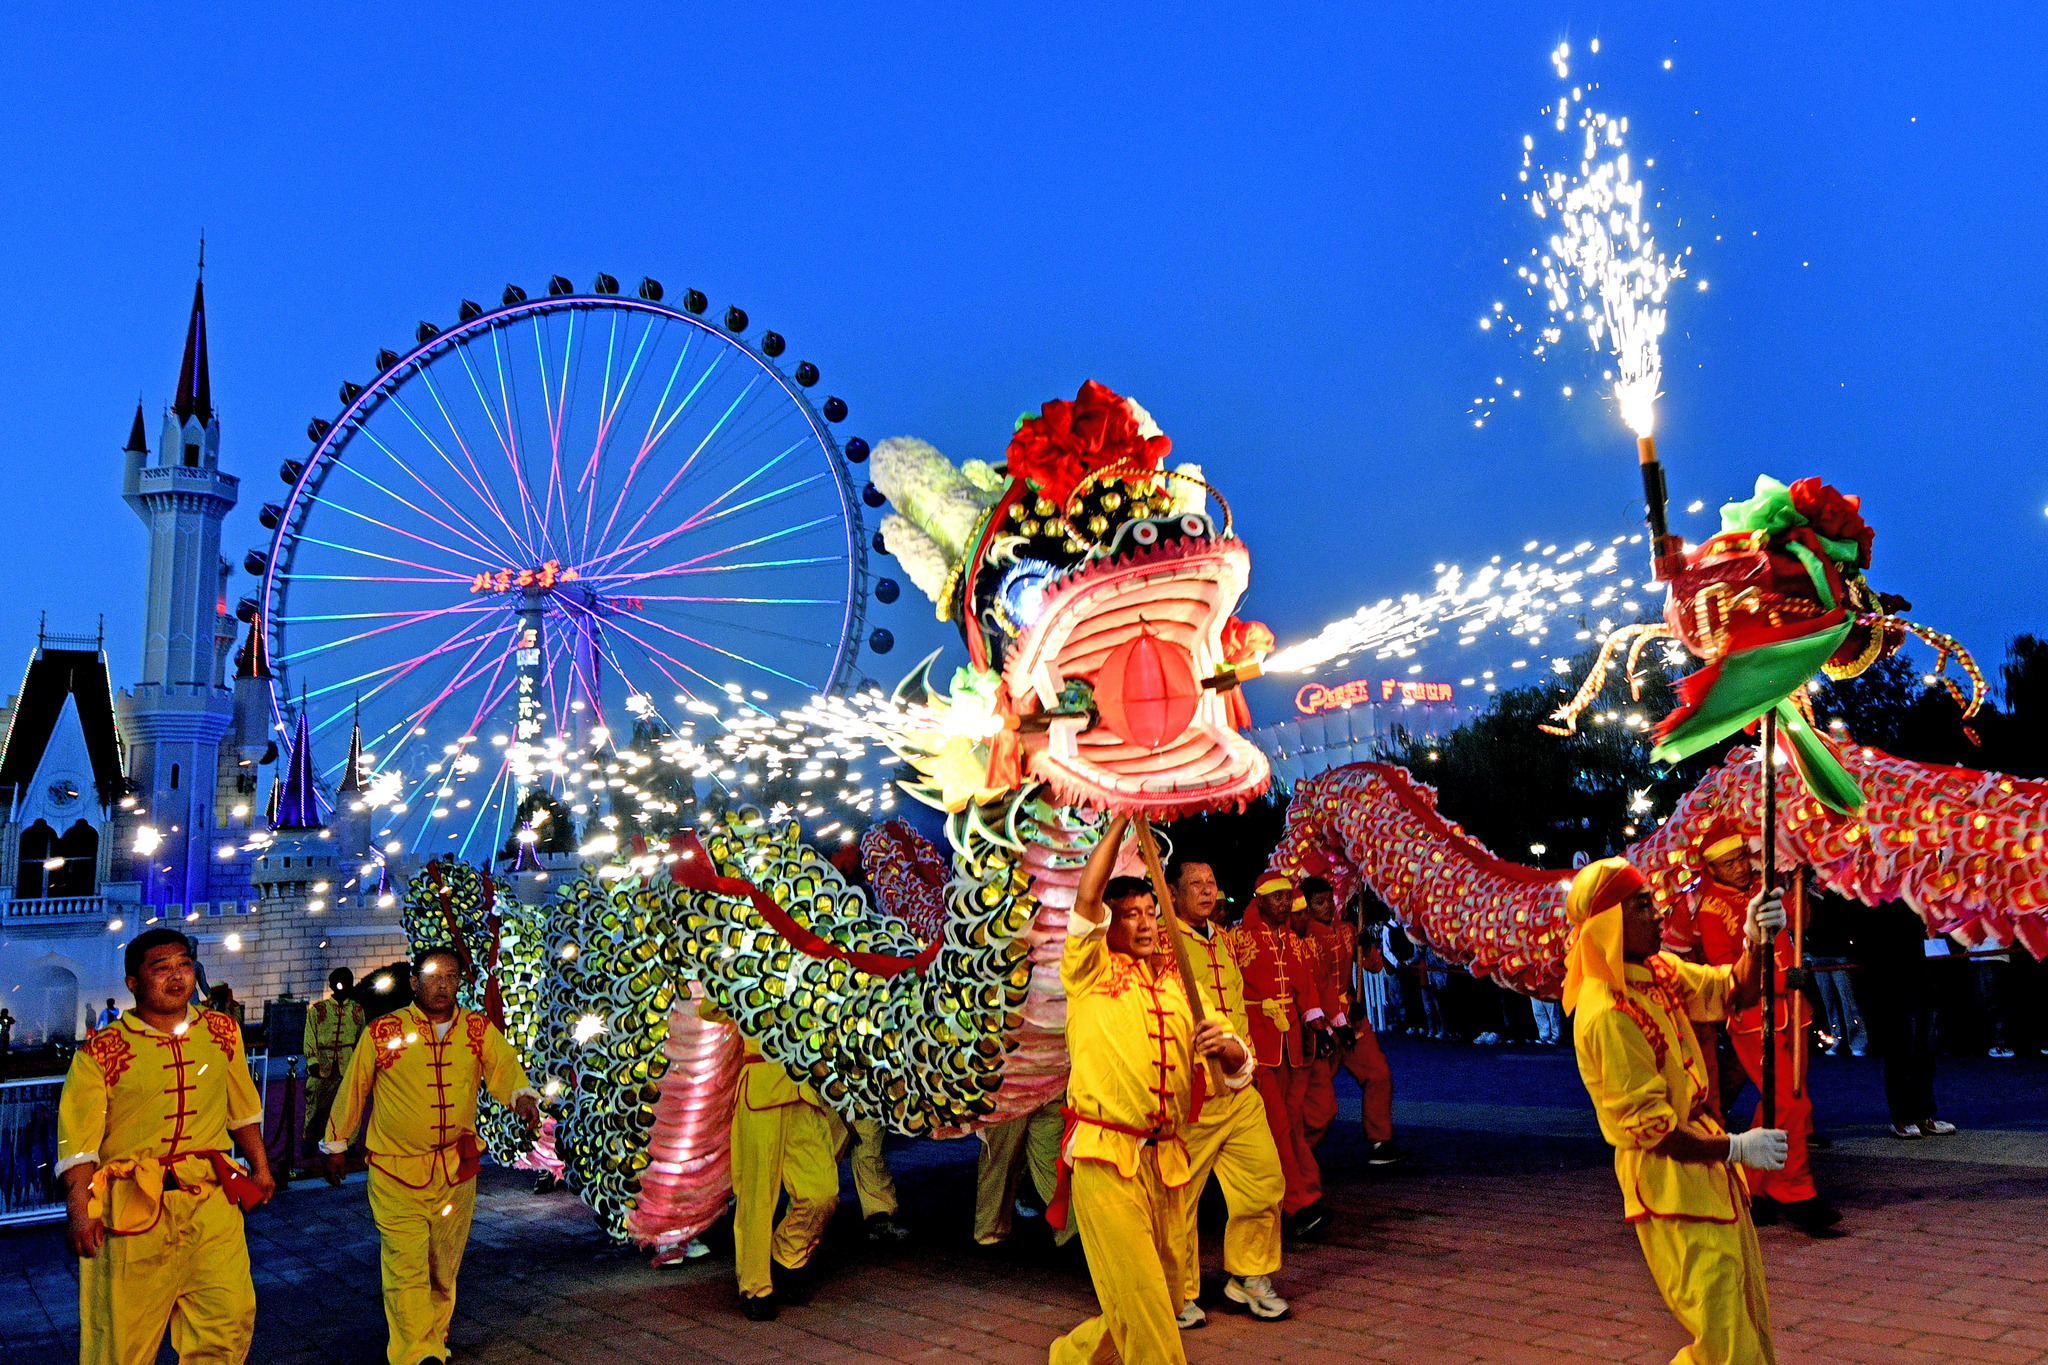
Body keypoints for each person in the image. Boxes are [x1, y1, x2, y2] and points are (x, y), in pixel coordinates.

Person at [1048, 816, 1251, 1365]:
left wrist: (1225, 1046)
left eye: (1149, 913)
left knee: (1156, 1294)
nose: (1142, 925)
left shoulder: (1178, 980)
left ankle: (1071, 1357)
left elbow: (1236, 1064)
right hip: (1104, 1157)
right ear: (1106, 924)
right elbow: (1088, 895)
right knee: (1145, 1304)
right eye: (1128, 915)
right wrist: (1120, 817)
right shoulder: (1087, 971)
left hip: (1167, 1164)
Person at [1568, 857, 1786, 1365]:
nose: (1660, 911)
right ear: (1611, 921)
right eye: (1642, 905)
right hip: (1668, 1179)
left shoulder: (1657, 970)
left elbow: (1734, 990)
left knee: (1747, 1324)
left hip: (1707, 1172)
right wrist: (1737, 1147)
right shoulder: (1607, 1014)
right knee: (1727, 1345)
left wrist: (1755, 937)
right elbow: (1655, 1132)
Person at [56, 927, 275, 1365]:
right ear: (133, 983)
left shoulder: (221, 1031)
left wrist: (260, 1167)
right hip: (131, 1206)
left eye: (183, 965)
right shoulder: (102, 1050)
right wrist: (81, 1210)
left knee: (227, 1319)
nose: (176, 977)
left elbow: (242, 1109)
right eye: (161, 968)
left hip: (210, 1200)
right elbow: (79, 1143)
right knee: (121, 1338)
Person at [322, 947, 539, 1365]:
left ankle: (433, 1338)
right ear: (413, 981)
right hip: (394, 1169)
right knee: (405, 1264)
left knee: (443, 1264)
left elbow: (504, 1069)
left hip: (457, 1170)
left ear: (460, 981)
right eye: (433, 976)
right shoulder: (383, 1031)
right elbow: (355, 1088)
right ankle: (416, 1353)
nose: (442, 985)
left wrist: (522, 1098)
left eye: (451, 976)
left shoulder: (477, 1028)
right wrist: (336, 1143)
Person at [1659, 822, 1838, 1234]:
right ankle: (1796, 1192)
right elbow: (1734, 975)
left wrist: (1795, 879)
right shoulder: (1709, 907)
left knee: (1778, 1105)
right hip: (1754, 1019)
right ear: (1712, 868)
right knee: (1793, 1104)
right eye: (1729, 862)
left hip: (1795, 1012)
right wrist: (1785, 979)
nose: (1740, 867)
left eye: (1742, 856)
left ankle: (1753, 1186)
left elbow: (1801, 922)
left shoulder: (1765, 883)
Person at [1166, 856, 1288, 1325]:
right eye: (1194, 884)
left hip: (1241, 1088)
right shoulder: (1160, 943)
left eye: (1211, 882)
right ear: (1171, 893)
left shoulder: (1225, 940)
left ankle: (1249, 1276)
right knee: (1180, 1199)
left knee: (1264, 1181)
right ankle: (1178, 1291)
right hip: (1191, 1096)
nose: (1206, 891)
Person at [1220, 874, 1328, 1236]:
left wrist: (1319, 1025)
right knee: (1278, 1124)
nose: (1285, 903)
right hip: (1256, 1044)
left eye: (1288, 897)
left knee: (1291, 1122)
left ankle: (1306, 1194)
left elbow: (1307, 988)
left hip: (1290, 1043)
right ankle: (1295, 1204)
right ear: (1260, 900)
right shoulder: (1237, 939)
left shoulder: (1294, 943)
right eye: (1278, 897)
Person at [729, 1032, 841, 1319]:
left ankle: (786, 1257)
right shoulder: (737, 983)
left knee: (822, 1192)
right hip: (760, 1088)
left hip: (802, 1088)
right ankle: (755, 1287)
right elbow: (710, 1008)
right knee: (757, 1198)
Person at [1296, 877, 1400, 1165]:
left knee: (1378, 1074)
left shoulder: (1347, 929)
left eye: (1330, 899)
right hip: (1321, 1022)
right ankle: (1298, 1153)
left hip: (1353, 1016)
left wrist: (1366, 947)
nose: (1328, 906)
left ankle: (1380, 1142)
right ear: (1306, 906)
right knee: (1317, 1095)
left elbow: (1375, 967)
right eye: (1320, 902)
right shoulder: (1304, 937)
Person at [1854, 899, 1956, 1140]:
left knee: (1925, 1054)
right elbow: (1866, 943)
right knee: (1902, 1054)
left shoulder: (1913, 888)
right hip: (1894, 985)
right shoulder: (1877, 896)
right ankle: (1901, 1117)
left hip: (1920, 979)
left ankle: (1923, 1113)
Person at [973, 1093, 1069, 1247]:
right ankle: (1070, 1231)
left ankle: (989, 1233)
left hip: (1010, 1091)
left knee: (999, 1163)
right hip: (1049, 1086)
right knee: (1052, 1163)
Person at [304, 968, 367, 1162]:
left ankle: (348, 1143)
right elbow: (309, 1035)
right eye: (340, 982)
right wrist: (312, 1060)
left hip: (347, 1065)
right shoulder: (318, 1009)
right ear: (331, 985)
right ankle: (310, 1142)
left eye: (347, 982)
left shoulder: (357, 1010)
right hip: (322, 1066)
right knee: (316, 1107)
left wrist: (360, 1064)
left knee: (349, 1107)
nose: (343, 986)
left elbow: (362, 1038)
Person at [836, 1112, 911, 1243]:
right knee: (821, 1154)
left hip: (864, 1096)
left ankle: (880, 1213)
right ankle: (804, 1223)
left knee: (868, 1150)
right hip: (823, 1099)